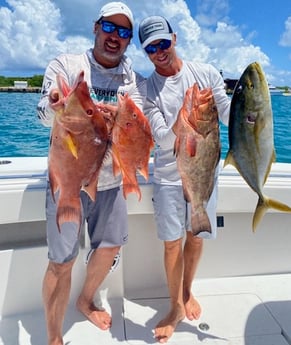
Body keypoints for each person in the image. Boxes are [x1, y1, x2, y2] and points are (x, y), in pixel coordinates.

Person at [37, 2, 146, 344]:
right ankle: (54, 337)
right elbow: (44, 111)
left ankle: (85, 299)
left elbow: (138, 130)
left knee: (111, 245)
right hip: (67, 178)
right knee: (61, 261)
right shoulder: (67, 65)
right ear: (96, 27)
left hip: (111, 181)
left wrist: (124, 123)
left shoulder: (132, 81)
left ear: (129, 41)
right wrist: (55, 105)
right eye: (110, 28)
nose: (115, 37)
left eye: (124, 32)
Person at [138, 16, 230, 343]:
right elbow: (161, 138)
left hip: (202, 169)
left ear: (174, 38)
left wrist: (253, 111)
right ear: (145, 52)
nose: (159, 51)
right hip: (166, 176)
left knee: (196, 235)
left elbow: (228, 113)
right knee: (171, 243)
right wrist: (181, 123)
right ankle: (174, 306)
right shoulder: (146, 88)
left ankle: (188, 289)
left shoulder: (205, 72)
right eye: (151, 48)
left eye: (164, 43)